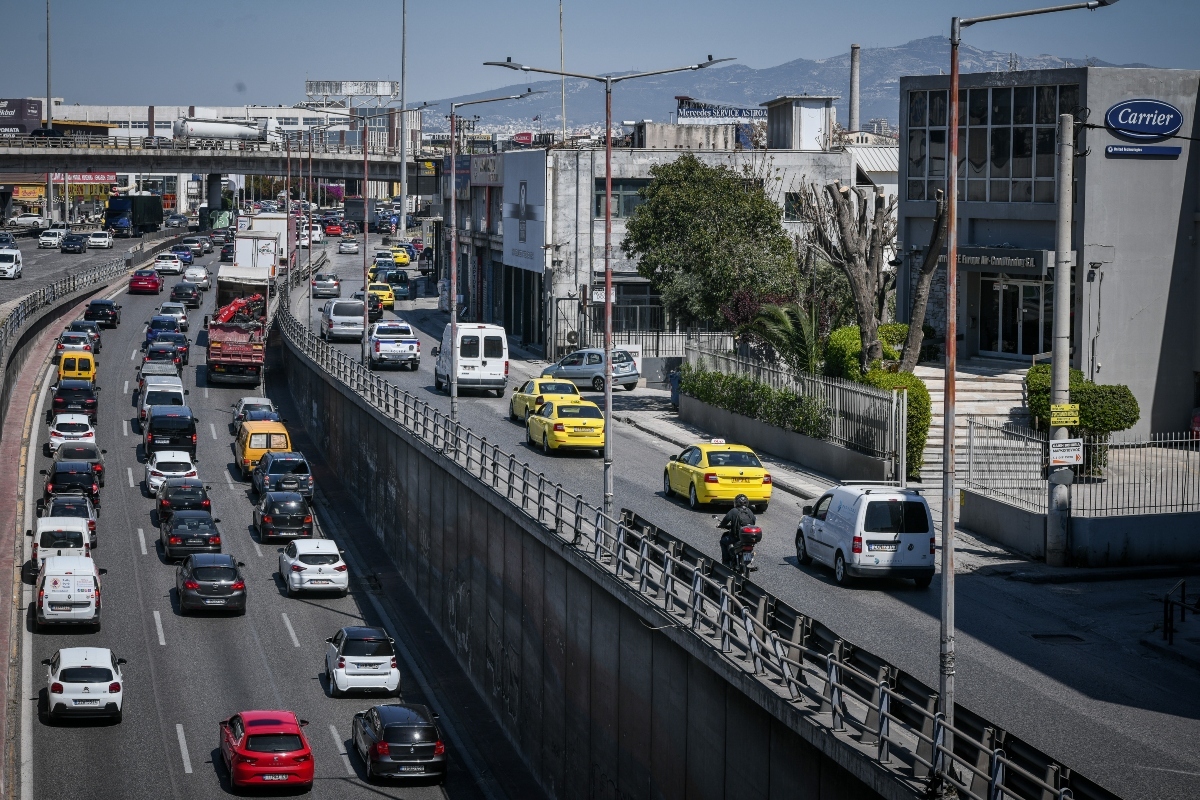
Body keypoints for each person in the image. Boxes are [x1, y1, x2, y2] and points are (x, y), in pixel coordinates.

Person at [718, 494, 756, 567]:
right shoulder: (750, 511)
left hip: (736, 538)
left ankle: (725, 561)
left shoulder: (733, 511)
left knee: (723, 541)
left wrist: (721, 525)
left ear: (736, 502)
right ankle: (748, 561)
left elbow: (725, 521)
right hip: (748, 539)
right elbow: (753, 522)